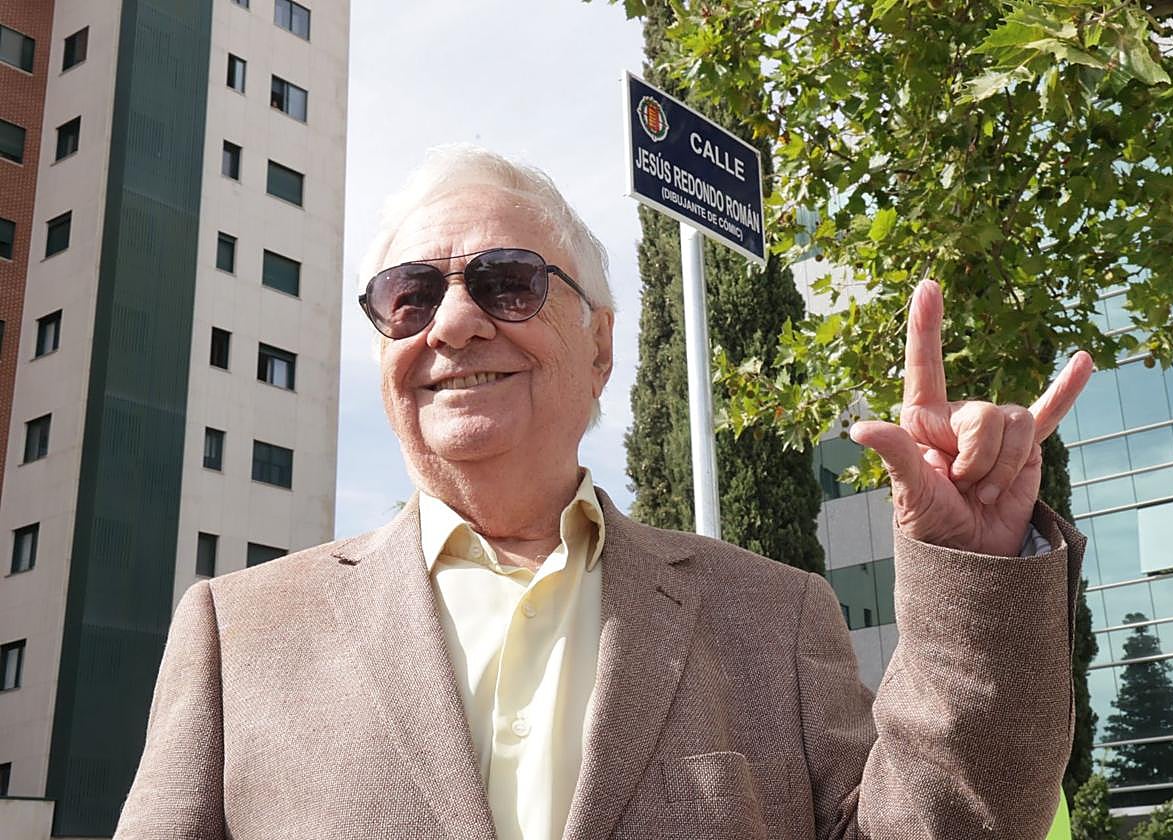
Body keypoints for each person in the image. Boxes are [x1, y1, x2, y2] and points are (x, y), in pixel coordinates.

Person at [113, 146, 1093, 840]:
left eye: (508, 283)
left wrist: (971, 576)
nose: (453, 323)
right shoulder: (236, 636)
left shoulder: (774, 618)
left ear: (602, 345)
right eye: (410, 295)